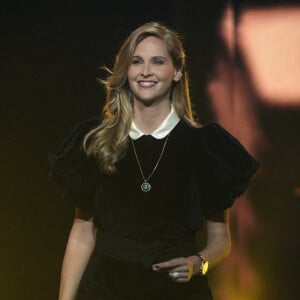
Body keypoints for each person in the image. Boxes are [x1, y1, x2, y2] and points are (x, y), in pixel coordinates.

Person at [49, 21, 259, 300]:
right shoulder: (97, 141)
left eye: (157, 61)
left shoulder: (205, 147)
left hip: (177, 292)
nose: (146, 71)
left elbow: (221, 240)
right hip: (106, 290)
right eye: (137, 62)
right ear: (126, 71)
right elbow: (81, 232)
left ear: (177, 71)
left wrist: (198, 263)